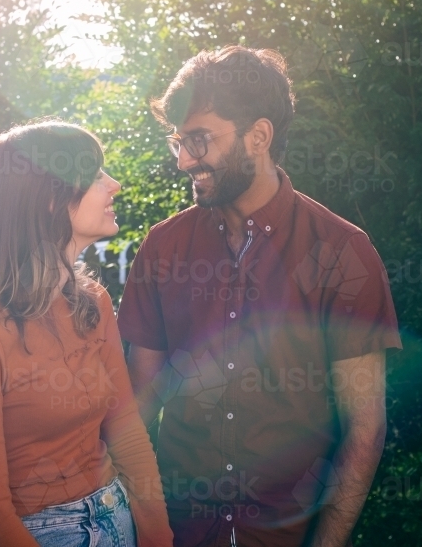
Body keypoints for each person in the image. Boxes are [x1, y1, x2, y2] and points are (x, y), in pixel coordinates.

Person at [118, 47, 402, 547]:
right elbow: (138, 407)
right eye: (178, 142)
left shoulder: (342, 252)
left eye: (199, 140)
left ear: (259, 136)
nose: (184, 160)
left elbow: (364, 430)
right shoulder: (163, 247)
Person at [0, 120, 173, 547]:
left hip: (118, 515)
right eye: (97, 175)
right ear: (51, 198)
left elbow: (124, 426)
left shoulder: (95, 304)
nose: (114, 185)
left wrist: (159, 536)